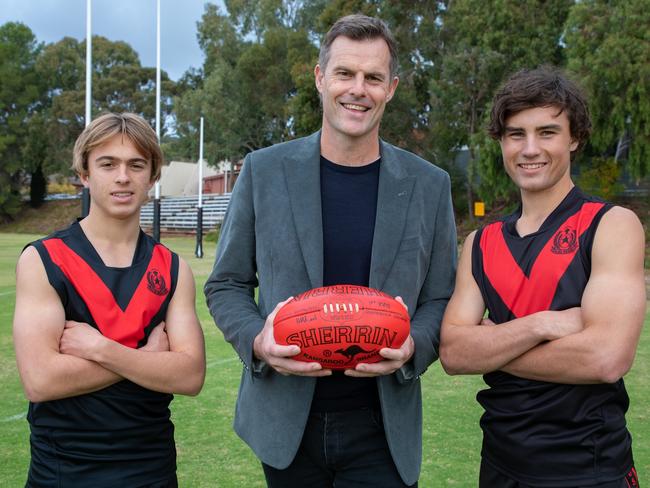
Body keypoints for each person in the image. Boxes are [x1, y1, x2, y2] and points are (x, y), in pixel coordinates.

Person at [204, 14, 456, 488]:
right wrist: (259, 341)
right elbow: (227, 283)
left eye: (373, 78)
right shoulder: (264, 171)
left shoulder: (429, 184)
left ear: (392, 87)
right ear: (321, 78)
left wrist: (413, 346)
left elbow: (441, 297)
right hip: (285, 424)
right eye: (345, 73)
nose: (358, 89)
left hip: (384, 426)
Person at [439, 67, 646, 487]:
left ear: (574, 138)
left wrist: (492, 346)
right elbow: (453, 354)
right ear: (500, 141)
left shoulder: (610, 224)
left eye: (547, 132)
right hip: (499, 466)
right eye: (516, 134)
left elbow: (605, 358)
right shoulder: (480, 243)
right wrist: (541, 325)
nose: (530, 148)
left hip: (589, 469)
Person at [13, 112, 206, 487]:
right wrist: (148, 359)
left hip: (151, 470)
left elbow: (190, 374)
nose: (123, 176)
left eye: (136, 165)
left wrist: (102, 349)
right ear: (84, 174)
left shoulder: (172, 268)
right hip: (64, 471)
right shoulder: (44, 259)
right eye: (107, 164)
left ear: (152, 177)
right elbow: (41, 380)